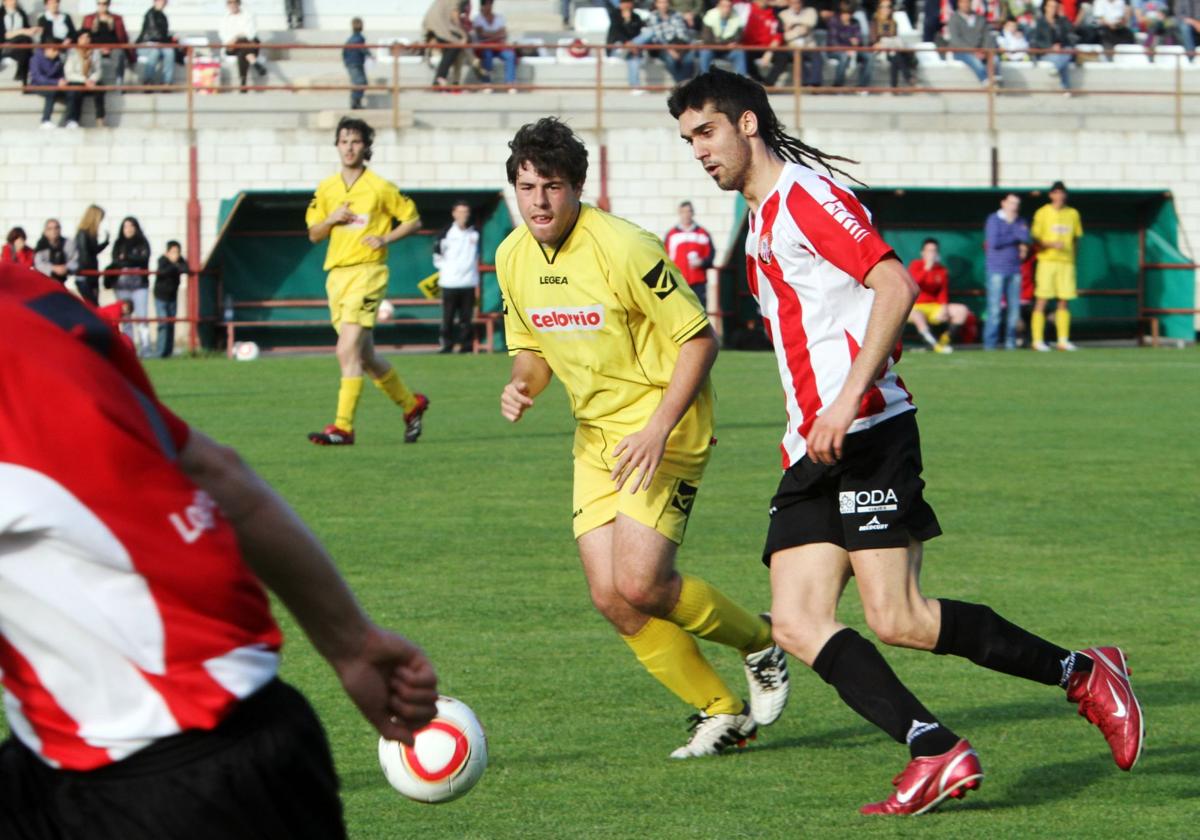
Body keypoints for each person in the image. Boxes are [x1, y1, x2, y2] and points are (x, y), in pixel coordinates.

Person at [670, 67, 1143, 814]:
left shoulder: (807, 199)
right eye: (688, 138)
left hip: (867, 433)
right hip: (814, 448)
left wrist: (846, 399)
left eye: (706, 132)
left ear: (748, 123)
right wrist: (807, 422)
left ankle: (1083, 674)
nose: (697, 150)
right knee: (795, 621)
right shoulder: (761, 217)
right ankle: (936, 749)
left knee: (900, 619)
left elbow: (894, 285)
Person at [0, 263, 438, 840]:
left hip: (171, 785)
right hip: (141, 747)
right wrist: (352, 644)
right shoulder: (28, 295)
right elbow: (215, 470)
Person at [496, 117, 790, 758]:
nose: (539, 202)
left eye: (552, 186)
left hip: (666, 426)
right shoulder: (511, 256)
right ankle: (721, 712)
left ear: (577, 186)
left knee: (641, 582)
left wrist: (658, 430)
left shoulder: (626, 247)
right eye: (527, 187)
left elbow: (699, 339)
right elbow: (532, 350)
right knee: (612, 597)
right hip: (596, 438)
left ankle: (761, 640)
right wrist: (523, 384)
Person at [305, 117, 430, 446]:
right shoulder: (327, 189)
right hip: (337, 276)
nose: (349, 147)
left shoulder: (379, 187)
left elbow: (413, 220)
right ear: (337, 145)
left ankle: (343, 428)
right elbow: (313, 234)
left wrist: (385, 238)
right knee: (364, 357)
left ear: (366, 147)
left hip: (368, 273)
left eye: (356, 141)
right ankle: (411, 404)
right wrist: (331, 219)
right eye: (344, 140)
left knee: (345, 350)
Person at [1030, 180, 1083, 351]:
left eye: (1062, 192)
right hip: (1047, 261)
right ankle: (1037, 340)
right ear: (1051, 194)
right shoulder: (1042, 213)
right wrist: (1051, 245)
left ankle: (1063, 340)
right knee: (1042, 300)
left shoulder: (1073, 214)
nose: (1059, 196)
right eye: (1056, 192)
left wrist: (1073, 258)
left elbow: (1076, 238)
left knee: (1064, 301)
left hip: (1066, 264)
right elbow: (1035, 238)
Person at [906, 238, 970, 353]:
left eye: (934, 251)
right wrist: (927, 268)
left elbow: (942, 292)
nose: (931, 254)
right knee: (917, 315)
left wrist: (944, 308)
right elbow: (913, 283)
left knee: (962, 310)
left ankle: (943, 342)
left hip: (934, 307)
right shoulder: (915, 265)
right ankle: (932, 344)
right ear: (923, 253)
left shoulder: (942, 270)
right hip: (915, 307)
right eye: (929, 251)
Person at [433, 200, 480, 354]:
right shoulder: (445, 233)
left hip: (469, 283)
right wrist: (449, 271)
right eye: (460, 212)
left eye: (465, 212)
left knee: (466, 318)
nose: (463, 215)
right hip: (449, 283)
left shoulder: (474, 233)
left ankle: (465, 346)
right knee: (448, 317)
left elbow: (477, 255)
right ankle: (446, 345)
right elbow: (437, 256)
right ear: (454, 213)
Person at [983, 192, 1029, 350]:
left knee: (1014, 311)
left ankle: (1011, 343)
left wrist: (1013, 235)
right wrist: (1015, 236)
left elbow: (1025, 236)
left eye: (1016, 204)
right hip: (996, 270)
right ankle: (990, 344)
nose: (1014, 207)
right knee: (994, 309)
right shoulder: (993, 219)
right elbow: (994, 242)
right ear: (1003, 203)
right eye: (1011, 203)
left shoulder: (1020, 221)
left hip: (1015, 270)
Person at [108, 215, 153, 355]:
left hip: (140, 285)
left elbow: (144, 258)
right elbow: (116, 261)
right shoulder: (118, 243)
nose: (128, 229)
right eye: (126, 226)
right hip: (122, 286)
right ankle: (129, 347)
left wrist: (126, 258)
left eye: (131, 226)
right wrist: (131, 260)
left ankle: (145, 348)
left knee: (142, 316)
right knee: (126, 317)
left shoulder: (142, 242)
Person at [664, 200, 715, 309]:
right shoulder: (671, 235)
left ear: (693, 213)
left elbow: (711, 256)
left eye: (689, 211)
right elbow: (665, 258)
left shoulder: (703, 233)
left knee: (700, 312)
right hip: (678, 282)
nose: (686, 215)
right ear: (679, 213)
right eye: (683, 212)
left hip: (698, 283)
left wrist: (702, 262)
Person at [631, 0, 697, 83]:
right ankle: (682, 84)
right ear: (656, 4)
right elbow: (659, 37)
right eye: (661, 2)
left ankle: (684, 85)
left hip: (680, 44)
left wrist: (680, 49)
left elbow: (682, 33)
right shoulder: (653, 16)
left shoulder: (676, 14)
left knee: (689, 59)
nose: (663, 5)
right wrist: (670, 50)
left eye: (665, 2)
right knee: (671, 60)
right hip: (663, 47)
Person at [82, 0, 135, 90]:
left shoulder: (116, 19)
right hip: (95, 48)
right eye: (99, 3)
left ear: (109, 4)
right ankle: (93, 81)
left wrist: (111, 48)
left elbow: (122, 38)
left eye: (104, 3)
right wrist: (99, 48)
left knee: (119, 54)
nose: (102, 6)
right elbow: (85, 36)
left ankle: (119, 84)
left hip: (113, 47)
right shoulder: (89, 18)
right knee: (94, 54)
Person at [769, 0, 823, 88]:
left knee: (817, 56)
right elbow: (785, 36)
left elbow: (811, 23)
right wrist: (801, 29)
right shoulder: (783, 14)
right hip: (792, 47)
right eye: (794, 2)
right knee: (797, 56)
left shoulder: (810, 11)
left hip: (809, 46)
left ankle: (815, 84)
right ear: (789, 3)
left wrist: (793, 26)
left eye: (799, 2)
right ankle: (804, 84)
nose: (797, 5)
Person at [948, 0, 1000, 84]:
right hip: (961, 52)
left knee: (995, 59)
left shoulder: (980, 18)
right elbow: (956, 41)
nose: (966, 5)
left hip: (981, 50)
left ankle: (996, 78)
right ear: (959, 4)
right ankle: (986, 81)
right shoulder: (954, 19)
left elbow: (987, 37)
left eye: (968, 2)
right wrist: (973, 51)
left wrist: (985, 51)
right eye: (963, 2)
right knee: (975, 61)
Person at [220, 0, 266, 91]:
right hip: (232, 46)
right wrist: (232, 41)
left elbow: (250, 33)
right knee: (244, 48)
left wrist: (236, 37)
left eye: (234, 2)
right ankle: (254, 62)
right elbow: (223, 35)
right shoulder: (224, 18)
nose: (232, 5)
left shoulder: (248, 15)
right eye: (229, 2)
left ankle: (243, 83)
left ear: (239, 3)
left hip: (247, 43)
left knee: (243, 49)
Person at [63, 31, 106, 128]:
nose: (86, 40)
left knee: (100, 88)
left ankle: (100, 119)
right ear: (78, 40)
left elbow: (98, 70)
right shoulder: (72, 52)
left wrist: (91, 80)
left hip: (90, 80)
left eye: (88, 37)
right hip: (77, 80)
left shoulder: (95, 52)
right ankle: (72, 120)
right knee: (75, 90)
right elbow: (69, 73)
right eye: (82, 37)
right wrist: (84, 80)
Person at [1030, 0, 1075, 90]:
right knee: (1063, 60)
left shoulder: (1060, 21)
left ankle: (1056, 68)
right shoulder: (1040, 22)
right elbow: (1035, 40)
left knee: (1068, 50)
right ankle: (1066, 87)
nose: (1053, 9)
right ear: (1045, 7)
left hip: (1061, 50)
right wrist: (1050, 47)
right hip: (1046, 52)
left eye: (1055, 7)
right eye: (1050, 6)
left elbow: (1070, 31)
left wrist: (1063, 17)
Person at [473, 0, 518, 90]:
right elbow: (481, 34)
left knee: (510, 55)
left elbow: (504, 33)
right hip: (486, 47)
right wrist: (497, 34)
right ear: (483, 6)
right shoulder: (478, 18)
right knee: (487, 54)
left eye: (490, 3)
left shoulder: (499, 17)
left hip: (499, 46)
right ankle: (487, 82)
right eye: (487, 4)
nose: (489, 6)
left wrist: (490, 35)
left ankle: (510, 83)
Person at [872, 0, 916, 89]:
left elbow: (895, 38)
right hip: (881, 51)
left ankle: (894, 86)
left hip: (893, 50)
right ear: (879, 8)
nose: (886, 9)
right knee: (896, 56)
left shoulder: (893, 22)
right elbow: (874, 41)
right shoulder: (874, 22)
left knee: (896, 56)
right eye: (883, 7)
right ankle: (908, 77)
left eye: (888, 7)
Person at [154, 238, 187, 358]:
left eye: (177, 252)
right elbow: (163, 272)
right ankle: (160, 352)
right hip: (161, 296)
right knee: (163, 324)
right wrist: (174, 266)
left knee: (171, 324)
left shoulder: (180, 261)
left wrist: (177, 265)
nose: (175, 255)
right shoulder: (162, 260)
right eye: (173, 252)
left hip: (173, 296)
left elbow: (185, 269)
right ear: (167, 253)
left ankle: (168, 352)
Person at [422, 0, 466, 88]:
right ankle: (442, 79)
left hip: (432, 27)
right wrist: (463, 33)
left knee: (454, 47)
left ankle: (443, 80)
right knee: (455, 46)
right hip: (439, 28)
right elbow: (455, 15)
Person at [698, 0, 749, 77]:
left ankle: (742, 82)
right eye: (724, 6)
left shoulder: (737, 17)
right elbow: (707, 39)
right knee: (705, 52)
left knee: (739, 53)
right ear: (718, 6)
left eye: (729, 6)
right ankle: (704, 80)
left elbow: (737, 38)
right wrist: (725, 45)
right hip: (712, 49)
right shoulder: (710, 16)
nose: (726, 9)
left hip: (728, 51)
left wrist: (721, 43)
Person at [607, 0, 646, 90]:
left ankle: (635, 87)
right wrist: (626, 21)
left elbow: (636, 34)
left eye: (629, 2)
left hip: (632, 48)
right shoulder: (614, 15)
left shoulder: (636, 17)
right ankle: (635, 87)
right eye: (624, 2)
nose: (627, 5)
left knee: (633, 57)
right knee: (631, 53)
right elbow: (617, 33)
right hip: (618, 47)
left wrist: (629, 21)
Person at [136, 0, 176, 88]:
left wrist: (170, 39)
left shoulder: (163, 16)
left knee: (170, 52)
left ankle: (167, 82)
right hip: (146, 44)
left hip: (160, 44)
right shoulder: (150, 14)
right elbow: (154, 34)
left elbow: (163, 35)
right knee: (154, 51)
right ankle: (148, 80)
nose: (163, 3)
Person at [73, 204, 108, 305]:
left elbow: (92, 251)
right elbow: (85, 255)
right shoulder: (83, 233)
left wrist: (105, 243)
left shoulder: (90, 234)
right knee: (92, 305)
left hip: (91, 273)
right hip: (86, 274)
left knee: (94, 304)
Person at [28, 41, 67, 127]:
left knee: (73, 93)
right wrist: (56, 82)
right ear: (47, 49)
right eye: (54, 50)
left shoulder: (57, 60)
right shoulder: (35, 59)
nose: (56, 53)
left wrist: (62, 81)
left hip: (54, 85)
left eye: (58, 50)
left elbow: (61, 74)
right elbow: (37, 78)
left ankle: (71, 120)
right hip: (37, 86)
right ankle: (45, 120)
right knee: (51, 92)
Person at [1, 0, 40, 85]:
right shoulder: (1, 15)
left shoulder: (21, 13)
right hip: (6, 45)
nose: (13, 2)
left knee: (25, 47)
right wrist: (22, 31)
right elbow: (5, 35)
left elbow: (27, 28)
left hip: (20, 46)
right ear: (4, 2)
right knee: (25, 40)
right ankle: (23, 79)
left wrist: (33, 29)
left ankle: (22, 77)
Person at [343, 16, 367, 109]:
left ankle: (356, 102)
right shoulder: (359, 38)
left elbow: (344, 51)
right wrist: (369, 55)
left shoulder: (352, 38)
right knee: (359, 82)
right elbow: (362, 48)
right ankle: (355, 103)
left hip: (353, 62)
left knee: (360, 82)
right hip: (355, 62)